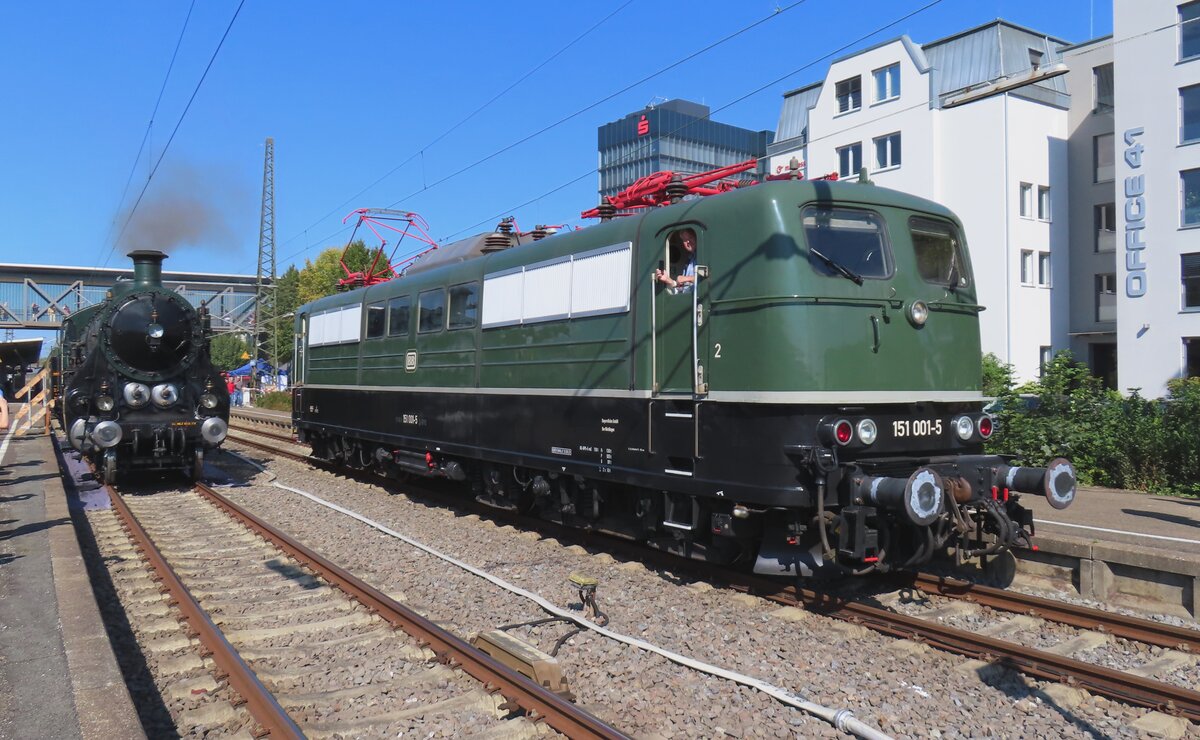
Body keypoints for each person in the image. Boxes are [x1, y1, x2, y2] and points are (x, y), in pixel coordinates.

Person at [654, 228, 697, 293]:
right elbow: (683, 289)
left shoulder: (704, 255)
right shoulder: (689, 261)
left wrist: (687, 278)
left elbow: (708, 278)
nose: (688, 242)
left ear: (696, 238)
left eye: (690, 237)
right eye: (684, 240)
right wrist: (668, 279)